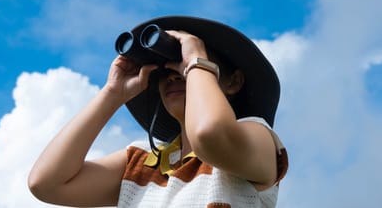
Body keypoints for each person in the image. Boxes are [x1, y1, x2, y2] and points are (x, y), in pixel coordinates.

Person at [28, 16, 288, 207]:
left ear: (233, 81)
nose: (173, 75)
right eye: (164, 70)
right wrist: (112, 93)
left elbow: (210, 134)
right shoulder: (140, 165)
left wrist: (195, 59)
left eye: (183, 66)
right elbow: (46, 183)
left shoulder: (257, 138)